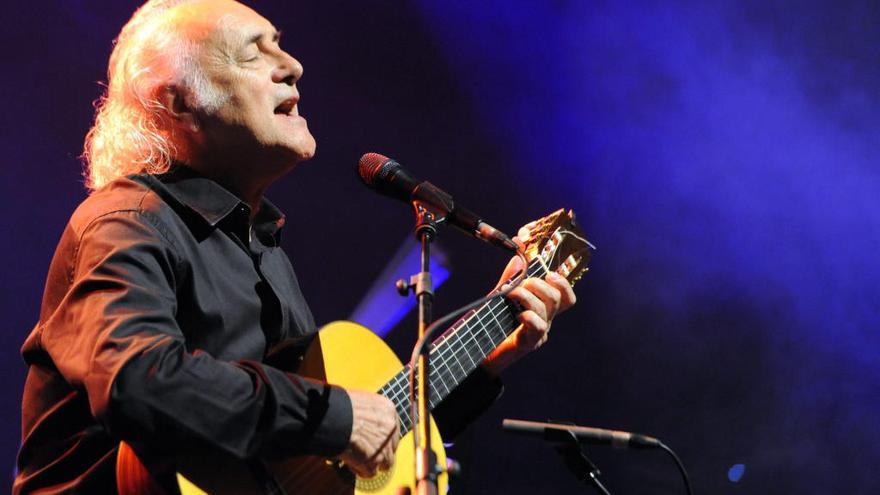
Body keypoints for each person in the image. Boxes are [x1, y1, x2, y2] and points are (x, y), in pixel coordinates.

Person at [14, 0, 576, 493]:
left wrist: (487, 356)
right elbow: (137, 379)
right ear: (177, 103)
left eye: (280, 46)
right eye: (254, 53)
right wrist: (335, 417)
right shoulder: (126, 222)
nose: (293, 66)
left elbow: (327, 463)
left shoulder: (263, 247)